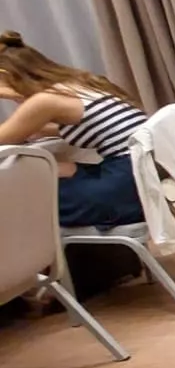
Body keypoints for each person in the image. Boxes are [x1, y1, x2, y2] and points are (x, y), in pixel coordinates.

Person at [0, 31, 147, 228]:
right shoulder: (79, 85)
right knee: (59, 168)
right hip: (141, 174)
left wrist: (9, 94)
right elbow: (82, 126)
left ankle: (45, 258)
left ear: (5, 76)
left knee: (21, 199)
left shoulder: (46, 100)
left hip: (126, 188)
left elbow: (6, 136)